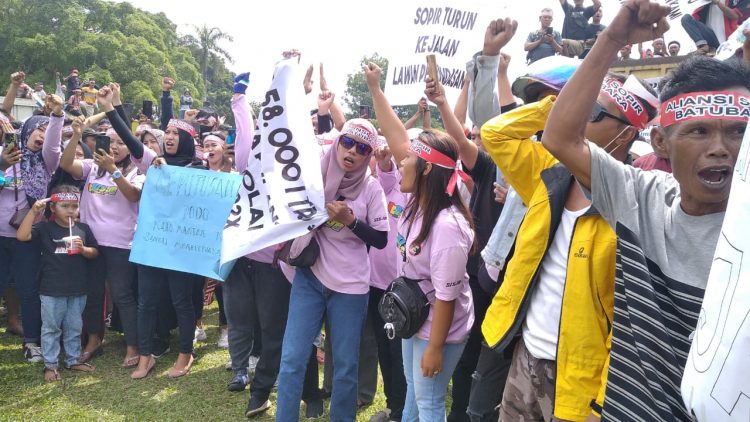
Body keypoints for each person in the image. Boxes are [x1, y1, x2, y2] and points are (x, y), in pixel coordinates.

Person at [541, 0, 750, 419]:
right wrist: (613, 39)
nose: (720, 149)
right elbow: (561, 137)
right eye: (699, 130)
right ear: (660, 144)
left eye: (738, 133)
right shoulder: (640, 197)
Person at [365, 61, 476, 422]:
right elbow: (396, 135)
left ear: (427, 168)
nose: (401, 161)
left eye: (409, 158)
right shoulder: (417, 200)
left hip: (439, 324)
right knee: (415, 391)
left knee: (429, 402)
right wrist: (376, 89)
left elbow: (446, 298)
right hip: (415, 316)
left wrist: (436, 348)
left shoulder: (447, 226)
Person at [275, 114, 389, 421]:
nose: (352, 152)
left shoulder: (371, 188)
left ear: (368, 156)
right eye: (348, 143)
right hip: (309, 278)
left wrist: (351, 221)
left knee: (345, 367)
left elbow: (380, 239)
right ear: (338, 142)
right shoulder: (314, 175)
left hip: (350, 288)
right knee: (292, 359)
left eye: (362, 149)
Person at [59, 90, 145, 369]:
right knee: (93, 292)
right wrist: (76, 136)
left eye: (123, 142)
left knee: (122, 295)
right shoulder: (92, 168)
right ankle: (94, 340)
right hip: (91, 241)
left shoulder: (138, 171)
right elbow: (65, 164)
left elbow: (133, 196)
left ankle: (133, 346)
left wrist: (114, 170)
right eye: (112, 141)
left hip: (120, 243)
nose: (117, 147)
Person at [16, 185, 99, 381]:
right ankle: (50, 365)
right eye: (64, 206)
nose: (71, 210)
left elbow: (95, 252)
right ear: (53, 208)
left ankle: (72, 360)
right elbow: (22, 236)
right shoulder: (45, 228)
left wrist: (83, 249)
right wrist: (33, 212)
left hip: (78, 288)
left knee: (74, 327)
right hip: (52, 289)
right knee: (51, 328)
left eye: (74, 206)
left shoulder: (83, 229)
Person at [681, 0, 750, 51]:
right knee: (686, 18)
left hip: (728, 42)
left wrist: (718, 3)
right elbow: (694, 21)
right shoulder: (704, 2)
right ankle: (703, 46)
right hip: (711, 39)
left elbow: (735, 16)